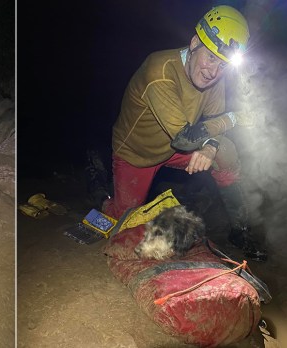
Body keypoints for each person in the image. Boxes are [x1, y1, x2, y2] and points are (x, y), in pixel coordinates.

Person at [102, 5, 267, 261]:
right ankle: (106, 198)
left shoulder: (214, 77)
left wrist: (211, 147)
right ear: (194, 43)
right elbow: (185, 138)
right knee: (125, 226)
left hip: (176, 149)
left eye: (223, 65)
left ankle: (240, 231)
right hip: (137, 153)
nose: (213, 72)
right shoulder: (159, 71)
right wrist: (233, 119)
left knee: (227, 152)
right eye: (210, 57)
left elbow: (211, 123)